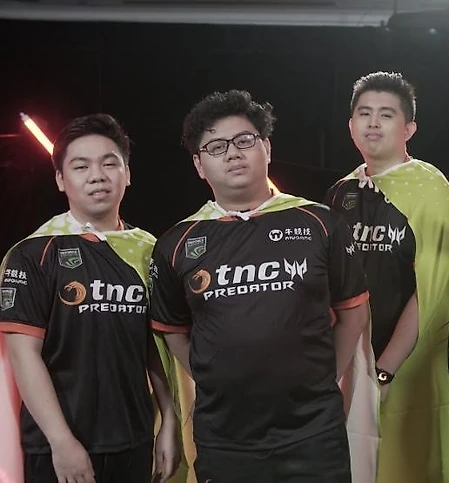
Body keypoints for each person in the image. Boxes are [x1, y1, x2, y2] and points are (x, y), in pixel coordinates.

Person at [150, 89, 370, 482]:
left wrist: (322, 380)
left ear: (266, 148)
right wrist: (215, 377)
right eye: (216, 147)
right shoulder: (176, 244)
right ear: (199, 165)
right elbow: (173, 331)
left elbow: (353, 313)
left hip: (314, 435)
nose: (233, 153)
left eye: (244, 140)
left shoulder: (321, 223)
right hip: (225, 440)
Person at [0, 114, 181, 483]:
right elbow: (22, 354)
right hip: (56, 449)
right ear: (60, 179)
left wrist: (169, 420)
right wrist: (61, 442)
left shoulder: (150, 251)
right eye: (81, 166)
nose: (97, 176)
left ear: (127, 174)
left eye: (109, 163)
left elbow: (154, 349)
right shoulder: (33, 253)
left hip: (134, 440)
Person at [325, 71, 449, 483]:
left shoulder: (430, 188)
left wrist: (385, 369)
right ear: (350, 125)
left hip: (408, 368)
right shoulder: (339, 193)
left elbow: (434, 290)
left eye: (386, 115)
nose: (373, 123)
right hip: (350, 366)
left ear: (409, 129)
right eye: (364, 113)